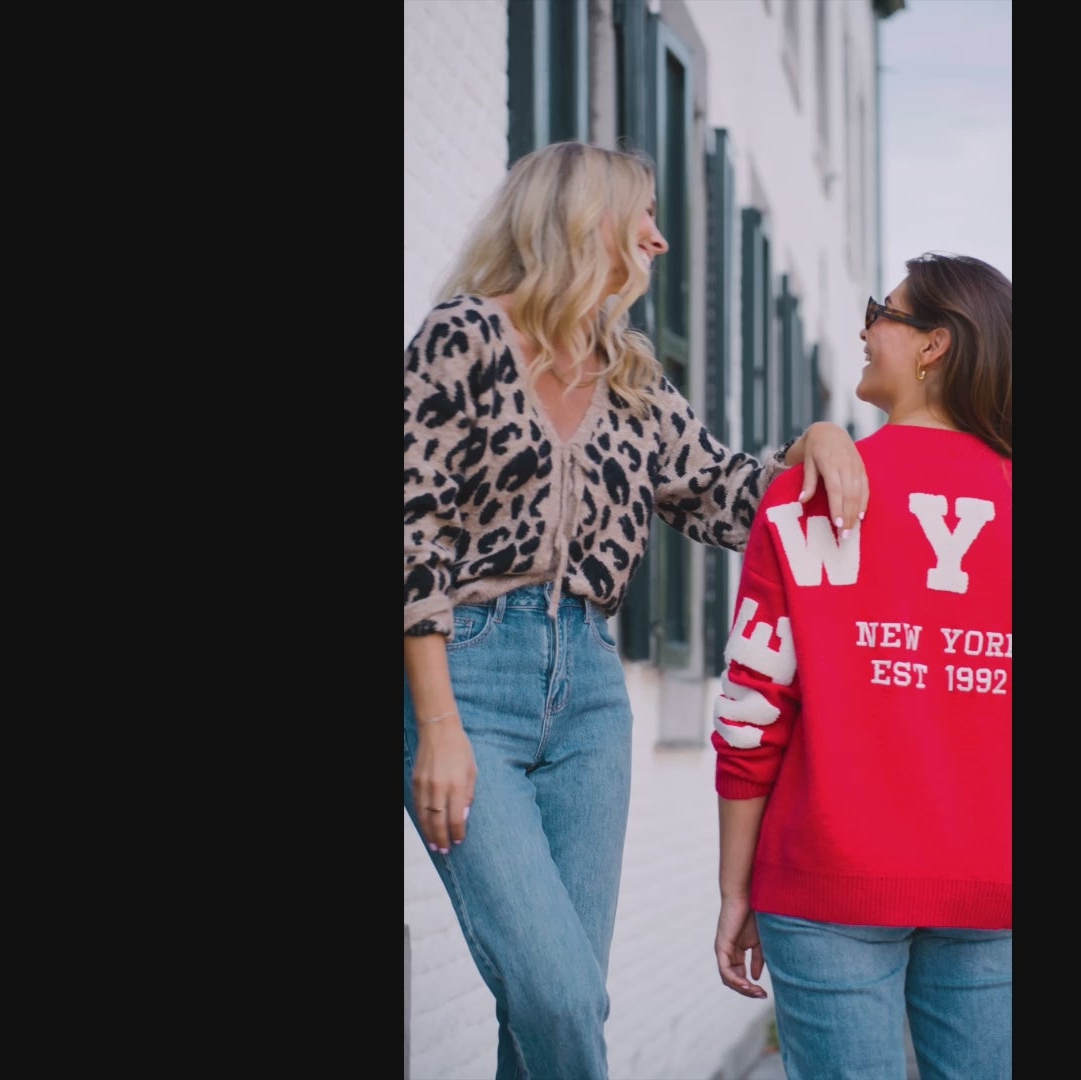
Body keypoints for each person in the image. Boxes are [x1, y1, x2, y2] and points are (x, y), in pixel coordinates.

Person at [402, 140, 868, 1080]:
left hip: (591, 697)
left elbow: (728, 495)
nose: (658, 240)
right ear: (588, 222)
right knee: (561, 998)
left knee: (551, 1006)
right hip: (470, 679)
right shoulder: (465, 337)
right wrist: (438, 726)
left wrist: (819, 437)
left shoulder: (632, 380)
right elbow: (413, 534)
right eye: (644, 216)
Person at [709, 253, 1013, 1079]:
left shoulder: (802, 500)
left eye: (884, 312)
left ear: (934, 346)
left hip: (826, 876)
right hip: (993, 878)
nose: (865, 328)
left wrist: (736, 888)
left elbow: (751, 711)